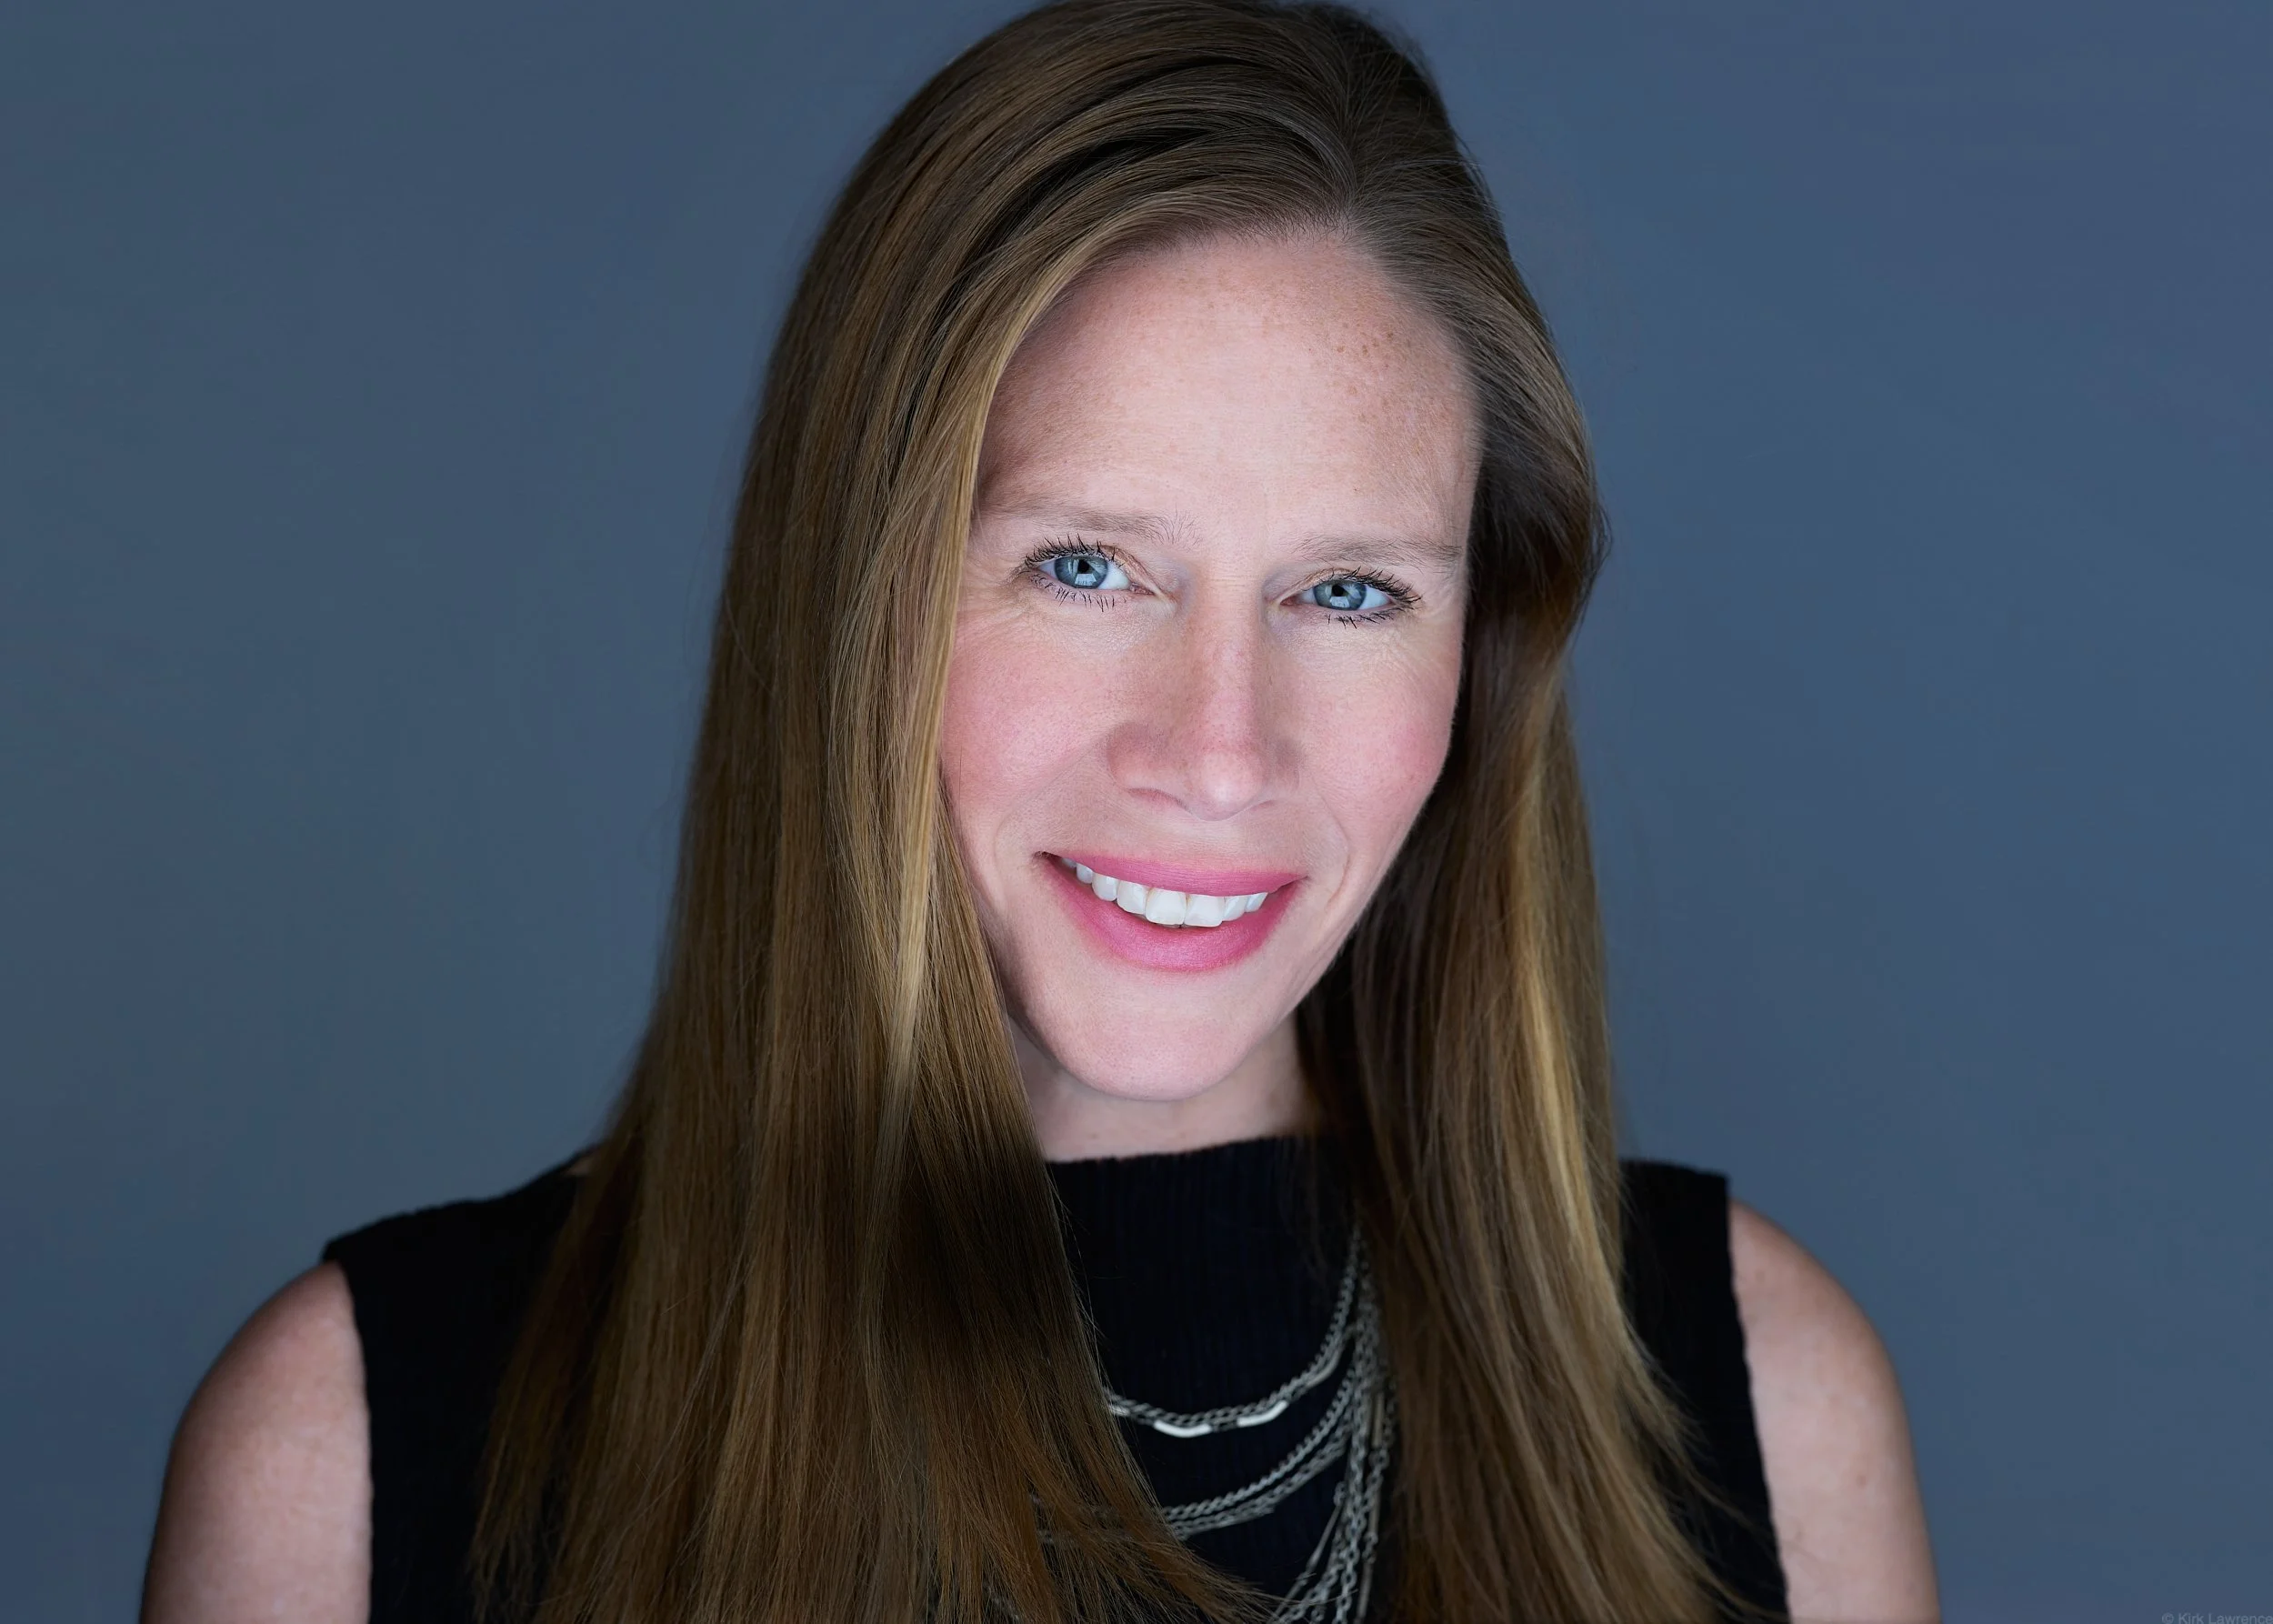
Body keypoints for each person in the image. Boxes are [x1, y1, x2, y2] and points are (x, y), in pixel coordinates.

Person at [141, 2, 1938, 1620]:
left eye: (1348, 592)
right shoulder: (349, 1459)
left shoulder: (1763, 1399)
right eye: (1085, 566)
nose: (1217, 748)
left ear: (1479, 654)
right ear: (860, 600)